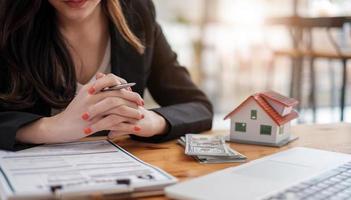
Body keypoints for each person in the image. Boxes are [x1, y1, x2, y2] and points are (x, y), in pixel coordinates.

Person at [0, 0, 213, 150]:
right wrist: (50, 128)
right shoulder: (8, 18)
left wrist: (149, 121)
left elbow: (198, 106)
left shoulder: (138, 12)